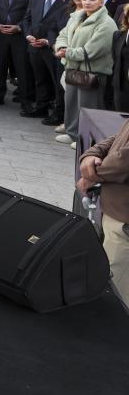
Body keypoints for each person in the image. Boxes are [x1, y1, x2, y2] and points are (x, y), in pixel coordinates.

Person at [54, 0, 115, 149]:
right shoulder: (76, 17)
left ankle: (87, 140)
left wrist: (67, 53)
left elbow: (91, 51)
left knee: (88, 107)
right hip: (73, 68)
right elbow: (62, 35)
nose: (87, 2)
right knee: (72, 102)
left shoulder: (107, 24)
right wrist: (60, 48)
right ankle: (72, 133)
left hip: (92, 71)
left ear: (101, 3)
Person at [77, 116, 129, 299]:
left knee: (115, 292)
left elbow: (124, 160)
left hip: (123, 221)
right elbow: (119, 136)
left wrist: (93, 174)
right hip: (117, 215)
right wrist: (93, 154)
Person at [24, 0, 72, 126]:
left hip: (53, 48)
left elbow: (64, 28)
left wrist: (48, 41)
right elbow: (28, 19)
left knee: (57, 82)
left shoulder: (69, 1)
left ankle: (58, 113)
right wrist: (28, 34)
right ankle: (41, 107)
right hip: (34, 45)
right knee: (39, 78)